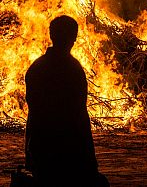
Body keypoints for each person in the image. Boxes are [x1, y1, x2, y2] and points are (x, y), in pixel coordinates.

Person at [24, 15, 108, 186]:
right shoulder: (73, 69)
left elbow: (33, 110)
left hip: (42, 146)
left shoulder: (37, 67)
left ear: (52, 35)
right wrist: (88, 157)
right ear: (73, 38)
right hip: (70, 148)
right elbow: (79, 113)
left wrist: (31, 150)